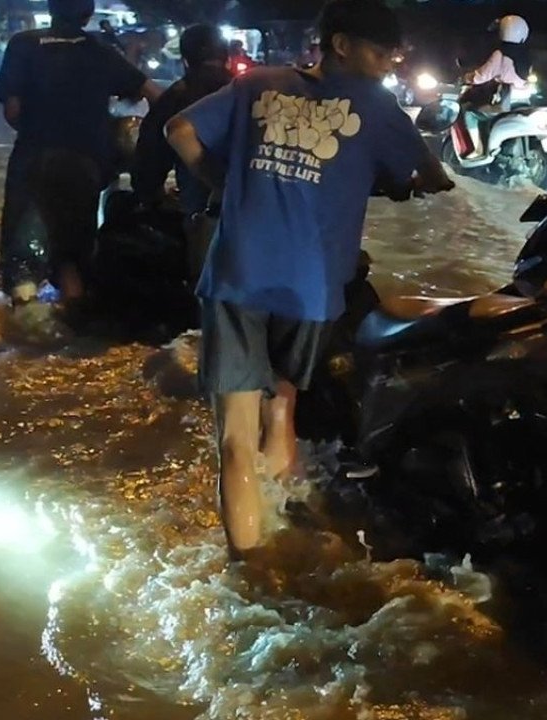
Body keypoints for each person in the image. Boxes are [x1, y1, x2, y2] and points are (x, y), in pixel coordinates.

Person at [166, 0, 454, 561]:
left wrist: (223, 186)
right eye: (379, 55)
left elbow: (179, 130)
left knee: (233, 442)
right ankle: (285, 515)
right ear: (341, 44)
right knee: (282, 408)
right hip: (312, 288)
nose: (386, 68)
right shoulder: (377, 105)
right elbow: (430, 176)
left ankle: (250, 568)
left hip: (237, 275)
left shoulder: (258, 85)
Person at [0, 0, 160, 339]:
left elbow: (12, 111)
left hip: (34, 155)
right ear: (87, 15)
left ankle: (26, 324)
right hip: (86, 162)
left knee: (23, 248)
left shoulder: (23, 44)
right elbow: (153, 93)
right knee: (74, 251)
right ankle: (76, 325)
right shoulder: (101, 51)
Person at [133, 24, 231, 214]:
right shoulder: (249, 92)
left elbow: (151, 154)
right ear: (226, 56)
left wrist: (149, 195)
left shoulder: (176, 96)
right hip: (256, 202)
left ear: (185, 60)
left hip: (204, 207)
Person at [458, 15, 533, 159]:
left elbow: (482, 76)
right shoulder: (526, 55)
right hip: (523, 98)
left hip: (505, 100)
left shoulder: (500, 54)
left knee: (470, 113)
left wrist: (468, 77)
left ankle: (479, 150)